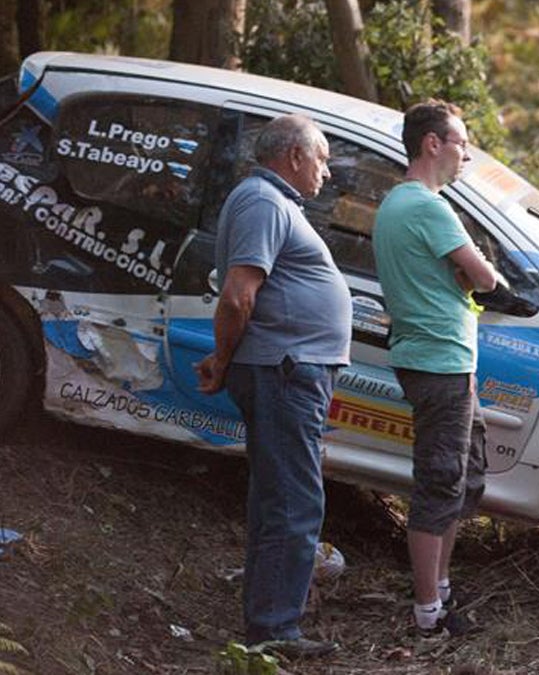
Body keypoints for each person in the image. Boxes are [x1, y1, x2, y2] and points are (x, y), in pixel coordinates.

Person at [195, 114, 349, 658]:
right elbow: (238, 295)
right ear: (294, 156)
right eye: (323, 157)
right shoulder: (263, 200)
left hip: (286, 369)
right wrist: (222, 355)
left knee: (278, 498)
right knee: (293, 502)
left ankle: (267, 625)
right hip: (284, 370)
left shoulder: (272, 202)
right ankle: (275, 631)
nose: (327, 172)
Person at [373, 100, 499, 639]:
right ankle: (429, 611)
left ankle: (441, 589)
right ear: (432, 144)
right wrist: (475, 271)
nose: (465, 154)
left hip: (442, 359)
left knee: (462, 475)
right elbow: (486, 278)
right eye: (461, 144)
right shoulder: (427, 207)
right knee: (440, 480)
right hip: (438, 361)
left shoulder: (397, 204)